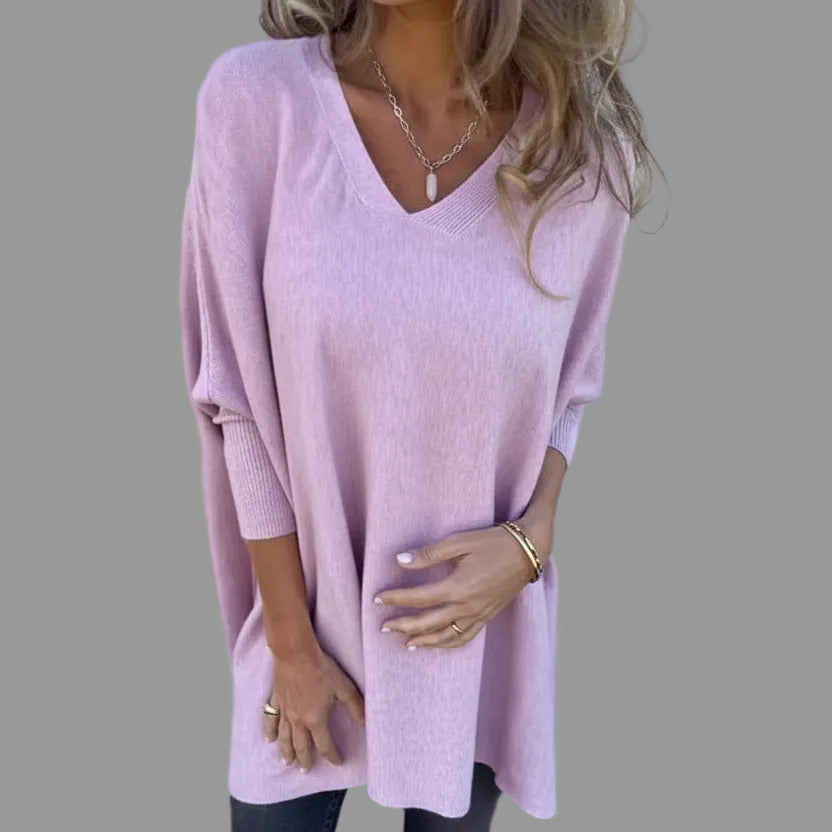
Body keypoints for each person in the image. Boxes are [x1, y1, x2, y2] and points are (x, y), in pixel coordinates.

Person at [178, 1, 658, 830]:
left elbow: (570, 389)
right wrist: (291, 645)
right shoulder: (257, 102)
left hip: (472, 635)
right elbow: (234, 395)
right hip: (302, 632)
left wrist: (531, 541)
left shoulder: (580, 148)